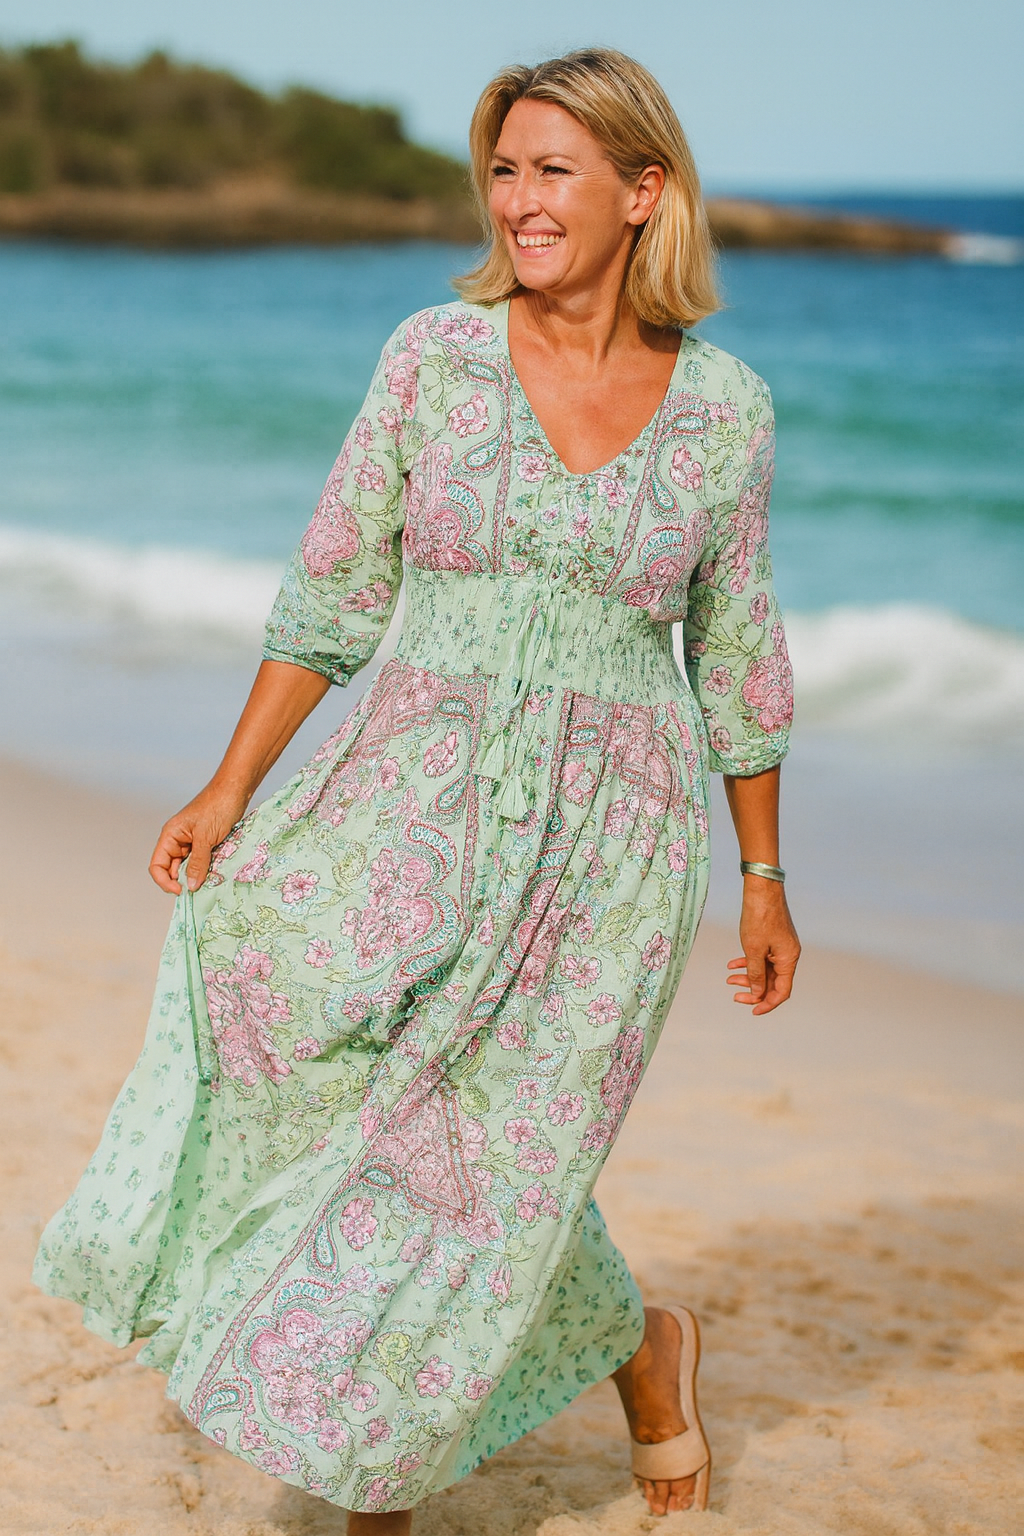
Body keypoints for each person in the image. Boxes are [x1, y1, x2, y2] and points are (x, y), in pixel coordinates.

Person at [33, 47, 800, 1530]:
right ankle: (638, 1344)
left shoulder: (727, 411)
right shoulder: (432, 359)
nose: (521, 201)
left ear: (645, 191)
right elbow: (334, 585)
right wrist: (229, 788)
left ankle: (374, 1481)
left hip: (614, 842)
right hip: (407, 795)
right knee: (295, 1033)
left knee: (491, 1158)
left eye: (554, 170)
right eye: (504, 170)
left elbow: (737, 652)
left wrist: (765, 878)